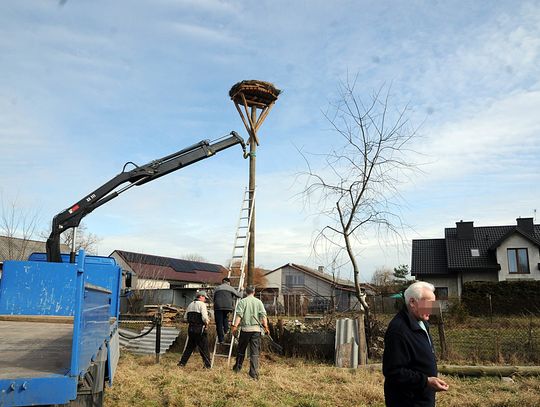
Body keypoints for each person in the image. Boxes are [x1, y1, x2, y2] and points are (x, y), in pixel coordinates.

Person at [382, 281, 449, 407]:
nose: (432, 308)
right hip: (407, 401)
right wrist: (426, 381)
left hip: (422, 398)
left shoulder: (421, 323)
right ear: (412, 302)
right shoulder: (399, 330)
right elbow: (393, 372)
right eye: (428, 303)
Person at [231, 286, 269, 379]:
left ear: (246, 292)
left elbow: (239, 316)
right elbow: (263, 315)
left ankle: (237, 368)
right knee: (254, 352)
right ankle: (253, 373)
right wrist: (266, 327)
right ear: (254, 292)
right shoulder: (259, 302)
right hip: (256, 330)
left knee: (241, 350)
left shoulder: (242, 302)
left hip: (245, 330)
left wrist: (235, 327)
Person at [178, 290, 211, 368]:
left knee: (189, 348)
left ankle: (182, 363)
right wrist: (207, 323)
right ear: (201, 296)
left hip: (191, 329)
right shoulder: (202, 305)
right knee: (204, 348)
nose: (205, 299)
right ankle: (207, 365)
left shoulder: (190, 304)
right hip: (200, 329)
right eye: (205, 298)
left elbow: (185, 318)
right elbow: (205, 318)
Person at [213, 277, 241, 344]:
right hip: (227, 307)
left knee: (219, 324)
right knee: (225, 318)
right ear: (228, 282)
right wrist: (242, 290)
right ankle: (226, 330)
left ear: (222, 282)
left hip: (218, 307)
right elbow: (239, 295)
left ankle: (221, 340)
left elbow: (214, 298)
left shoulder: (217, 288)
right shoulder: (230, 288)